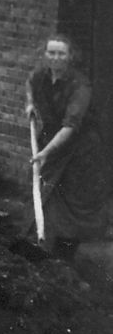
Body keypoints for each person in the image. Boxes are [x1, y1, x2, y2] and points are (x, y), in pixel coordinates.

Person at [26, 34, 113, 259]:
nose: (56, 58)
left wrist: (45, 152)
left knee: (75, 200)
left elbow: (71, 126)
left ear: (69, 56)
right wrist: (30, 105)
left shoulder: (80, 85)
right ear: (45, 55)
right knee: (52, 193)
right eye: (51, 53)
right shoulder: (41, 75)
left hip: (82, 148)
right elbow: (29, 83)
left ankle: (65, 256)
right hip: (57, 143)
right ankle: (46, 244)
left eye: (61, 53)